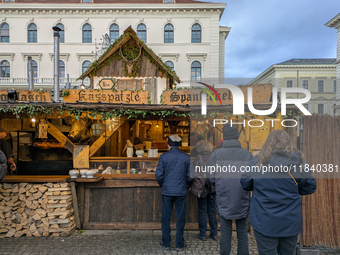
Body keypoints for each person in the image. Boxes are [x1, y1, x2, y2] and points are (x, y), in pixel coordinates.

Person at [240, 130, 316, 255]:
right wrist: (293, 191)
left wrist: (260, 187)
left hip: (264, 219)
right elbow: (310, 186)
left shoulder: (258, 162)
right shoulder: (299, 162)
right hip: (290, 220)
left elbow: (245, 184)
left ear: (268, 143)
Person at [205, 124, 253, 255]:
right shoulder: (247, 154)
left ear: (224, 137)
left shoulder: (216, 154)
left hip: (223, 196)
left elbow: (209, 176)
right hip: (242, 197)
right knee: (242, 233)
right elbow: (253, 176)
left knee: (225, 233)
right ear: (237, 137)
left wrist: (218, 182)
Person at [156, 134, 192, 252]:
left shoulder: (164, 157)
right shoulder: (186, 157)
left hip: (167, 191)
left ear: (169, 144)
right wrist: (184, 183)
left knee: (166, 217)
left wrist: (163, 184)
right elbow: (191, 175)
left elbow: (159, 174)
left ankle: (166, 243)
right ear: (179, 144)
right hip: (181, 191)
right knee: (180, 217)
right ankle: (179, 243)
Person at [193, 138, 218, 242]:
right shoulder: (214, 157)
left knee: (202, 211)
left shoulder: (198, 158)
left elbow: (195, 173)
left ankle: (202, 234)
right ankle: (214, 234)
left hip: (202, 187)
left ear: (199, 148)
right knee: (212, 211)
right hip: (213, 187)